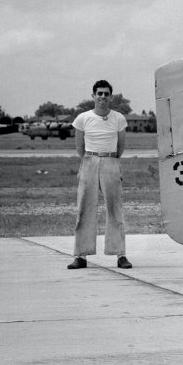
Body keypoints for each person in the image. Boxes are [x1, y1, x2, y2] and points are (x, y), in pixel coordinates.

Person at [67, 80, 131, 269]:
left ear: (111, 97)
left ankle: (120, 254)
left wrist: (110, 160)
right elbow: (79, 147)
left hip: (111, 162)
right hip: (89, 162)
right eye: (99, 93)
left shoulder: (119, 119)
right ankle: (81, 255)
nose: (102, 97)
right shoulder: (82, 119)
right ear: (93, 96)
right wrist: (91, 159)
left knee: (115, 209)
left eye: (106, 94)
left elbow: (121, 147)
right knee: (84, 209)